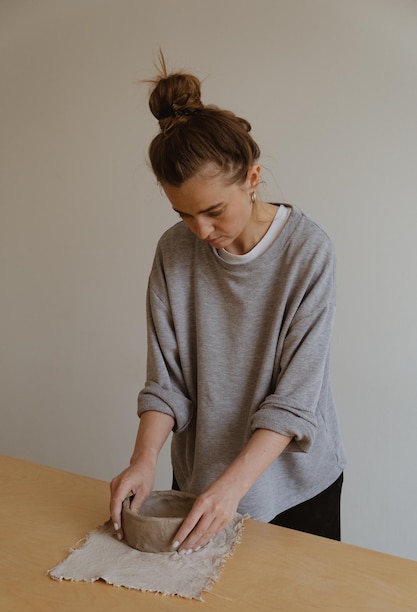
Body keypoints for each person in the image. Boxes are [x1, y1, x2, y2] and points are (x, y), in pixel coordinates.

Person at [110, 55, 346, 554]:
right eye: (183, 213)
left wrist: (232, 489)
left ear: (253, 178)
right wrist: (144, 459)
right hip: (198, 484)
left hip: (295, 491)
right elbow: (166, 383)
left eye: (214, 211)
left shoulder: (308, 252)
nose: (201, 231)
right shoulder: (174, 252)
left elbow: (295, 401)